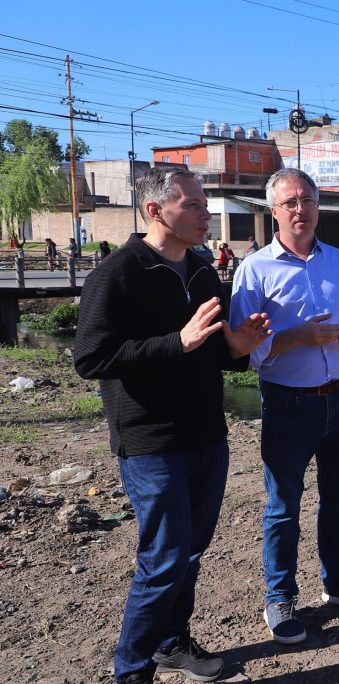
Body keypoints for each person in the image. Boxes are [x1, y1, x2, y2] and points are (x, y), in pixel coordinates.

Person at [74, 167, 271, 684]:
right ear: (154, 211)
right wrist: (175, 343)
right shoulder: (117, 272)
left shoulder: (205, 271)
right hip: (150, 442)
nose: (206, 214)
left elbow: (216, 354)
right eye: (194, 205)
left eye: (205, 204)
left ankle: (171, 642)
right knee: (162, 561)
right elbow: (90, 358)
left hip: (207, 435)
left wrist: (238, 350)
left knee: (192, 552)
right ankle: (132, 673)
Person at [229, 168, 339, 646]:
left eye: (308, 200)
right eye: (290, 202)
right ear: (273, 211)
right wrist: (294, 337)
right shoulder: (254, 270)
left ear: (319, 207)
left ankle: (337, 582)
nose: (300, 209)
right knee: (283, 507)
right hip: (287, 405)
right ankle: (279, 597)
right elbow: (242, 350)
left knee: (338, 498)